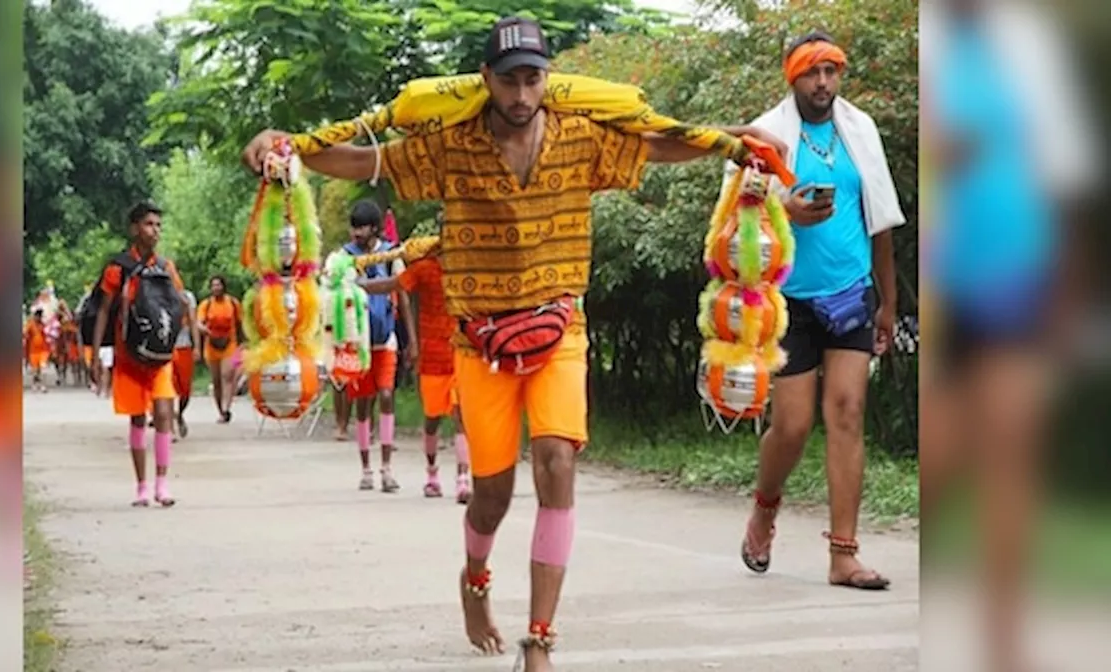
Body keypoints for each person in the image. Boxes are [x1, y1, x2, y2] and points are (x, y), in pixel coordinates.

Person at [241, 15, 785, 669]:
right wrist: (287, 147)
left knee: (557, 462)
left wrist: (733, 142)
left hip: (560, 330)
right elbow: (365, 162)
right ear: (485, 82)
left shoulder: (582, 134)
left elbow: (655, 144)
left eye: (533, 79)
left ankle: (540, 639)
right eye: (508, 82)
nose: (521, 95)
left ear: (547, 79)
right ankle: (474, 579)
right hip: (480, 342)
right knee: (493, 494)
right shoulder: (448, 142)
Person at [921, 2, 1099, 671]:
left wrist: (1068, 290)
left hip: (1016, 267)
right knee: (942, 453)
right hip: (945, 278)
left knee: (1013, 445)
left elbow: (1063, 171)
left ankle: (1004, 642)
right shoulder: (930, 34)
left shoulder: (1028, 41)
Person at [727, 30, 905, 591]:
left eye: (832, 70)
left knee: (848, 413)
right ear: (792, 77)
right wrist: (785, 210)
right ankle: (765, 507)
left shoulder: (860, 130)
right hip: (786, 301)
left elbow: (880, 218)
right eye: (812, 72)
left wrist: (889, 304)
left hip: (852, 292)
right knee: (794, 424)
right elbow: (732, 223)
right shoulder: (766, 134)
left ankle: (844, 556)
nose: (824, 82)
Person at [89, 201, 191, 508]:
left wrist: (179, 329)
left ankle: (162, 484)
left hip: (159, 357)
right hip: (129, 357)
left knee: (163, 414)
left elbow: (179, 305)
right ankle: (142, 486)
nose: (155, 231)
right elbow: (103, 311)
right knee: (136, 419)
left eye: (158, 225)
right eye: (149, 224)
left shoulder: (166, 268)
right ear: (134, 228)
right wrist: (97, 355)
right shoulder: (117, 269)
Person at [357, 232, 472, 503]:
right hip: (433, 357)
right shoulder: (424, 268)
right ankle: (432, 475)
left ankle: (463, 479)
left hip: (462, 354)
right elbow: (394, 284)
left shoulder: (468, 267)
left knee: (461, 417)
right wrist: (362, 285)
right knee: (432, 420)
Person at [341, 200, 415, 493]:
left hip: (386, 340)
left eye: (362, 226)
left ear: (374, 228)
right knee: (363, 402)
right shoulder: (344, 258)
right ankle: (366, 468)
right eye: (354, 226)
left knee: (386, 395)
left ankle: (386, 468)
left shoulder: (390, 255)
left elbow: (404, 295)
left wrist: (410, 340)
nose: (356, 232)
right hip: (358, 342)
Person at [197, 275, 243, 423]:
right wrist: (205, 330)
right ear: (210, 288)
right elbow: (198, 322)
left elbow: (240, 324)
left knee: (227, 376)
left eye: (219, 285)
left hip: (230, 344)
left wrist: (243, 344)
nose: (216, 288)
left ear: (224, 286)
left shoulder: (233, 303)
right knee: (216, 381)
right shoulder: (206, 304)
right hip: (211, 345)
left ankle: (226, 409)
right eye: (214, 285)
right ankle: (220, 410)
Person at [173, 288, 200, 438]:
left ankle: (179, 414)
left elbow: (193, 322)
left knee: (185, 389)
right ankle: (169, 428)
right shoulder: (159, 292)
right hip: (166, 347)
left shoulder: (187, 296)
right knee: (168, 388)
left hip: (184, 346)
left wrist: (197, 347)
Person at [23, 309, 49, 393]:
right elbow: (25, 334)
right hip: (33, 351)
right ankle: (34, 384)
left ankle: (43, 386)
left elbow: (48, 336)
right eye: (38, 315)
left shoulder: (43, 325)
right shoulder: (30, 324)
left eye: (40, 316)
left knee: (43, 368)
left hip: (43, 350)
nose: (39, 317)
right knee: (35, 371)